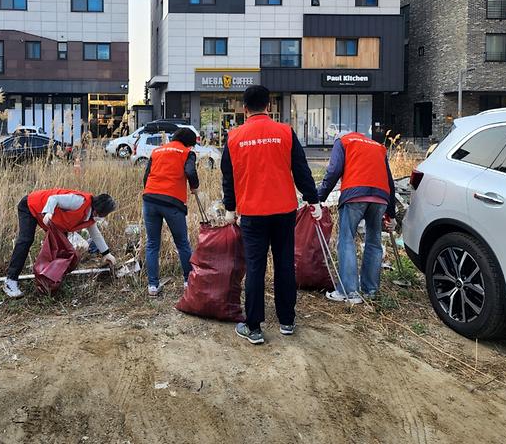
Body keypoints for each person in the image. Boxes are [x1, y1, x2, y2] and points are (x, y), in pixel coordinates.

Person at [221, 85, 320, 345]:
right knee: (284, 264)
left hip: (252, 213)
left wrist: (230, 208)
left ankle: (253, 327)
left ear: (244, 109)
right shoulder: (285, 132)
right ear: (269, 107)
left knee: (255, 267)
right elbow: (301, 170)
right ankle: (287, 320)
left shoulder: (234, 137)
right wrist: (313, 200)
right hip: (284, 211)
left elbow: (228, 178)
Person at [317, 131, 397, 304]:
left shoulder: (343, 141)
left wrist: (320, 197)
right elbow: (390, 181)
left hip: (355, 194)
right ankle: (370, 290)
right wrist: (391, 212)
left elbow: (334, 170)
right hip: (381, 196)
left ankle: (349, 291)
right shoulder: (378, 146)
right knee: (374, 242)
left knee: (346, 240)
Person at [3, 189, 118, 298]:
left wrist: (106, 254)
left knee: (62, 250)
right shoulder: (79, 201)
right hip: (31, 205)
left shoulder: (90, 217)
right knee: (26, 240)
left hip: (53, 220)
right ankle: (10, 281)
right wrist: (48, 212)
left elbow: (95, 234)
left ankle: (49, 282)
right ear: (99, 211)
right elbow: (54, 199)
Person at [142, 128, 199, 296]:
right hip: (172, 201)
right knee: (182, 243)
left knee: (152, 244)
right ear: (189, 142)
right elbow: (190, 171)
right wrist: (194, 187)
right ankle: (188, 282)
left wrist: (151, 191)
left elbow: (146, 176)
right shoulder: (187, 152)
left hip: (150, 198)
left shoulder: (157, 151)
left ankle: (152, 286)